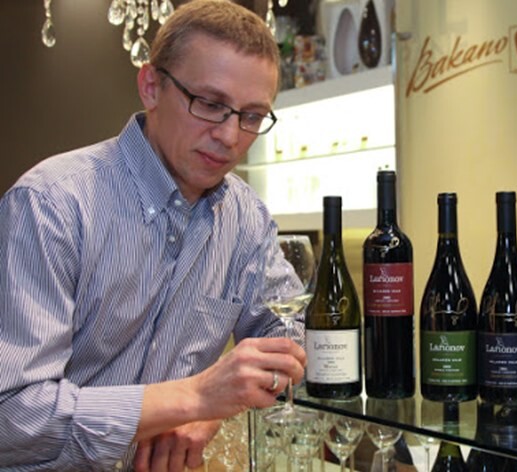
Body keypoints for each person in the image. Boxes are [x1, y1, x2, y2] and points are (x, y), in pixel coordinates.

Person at [0, 1, 307, 470]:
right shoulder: (51, 205)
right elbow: (13, 414)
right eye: (210, 104)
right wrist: (194, 397)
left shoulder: (246, 217)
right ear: (150, 86)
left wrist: (213, 410)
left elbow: (288, 331)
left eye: (251, 116)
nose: (230, 136)